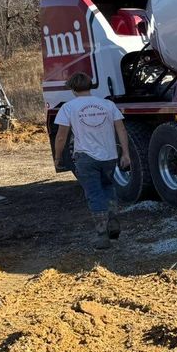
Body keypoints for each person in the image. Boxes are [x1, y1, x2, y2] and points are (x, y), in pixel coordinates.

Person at [52, 72, 130, 250]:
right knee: (108, 188)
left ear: (72, 89)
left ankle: (102, 236)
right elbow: (122, 130)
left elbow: (61, 137)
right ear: (90, 86)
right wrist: (125, 153)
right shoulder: (108, 104)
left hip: (86, 158)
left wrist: (58, 157)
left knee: (94, 194)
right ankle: (113, 222)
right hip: (110, 156)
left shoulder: (69, 107)